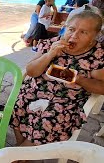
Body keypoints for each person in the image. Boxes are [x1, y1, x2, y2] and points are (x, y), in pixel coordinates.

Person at [11, 11, 104, 148]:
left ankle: (19, 155)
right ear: (65, 27)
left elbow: (101, 88)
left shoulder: (98, 55)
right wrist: (50, 54)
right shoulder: (51, 44)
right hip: (34, 91)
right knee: (17, 104)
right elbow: (31, 71)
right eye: (71, 29)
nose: (74, 36)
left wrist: (78, 79)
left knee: (49, 119)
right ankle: (24, 152)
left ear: (94, 36)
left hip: (67, 102)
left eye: (83, 32)